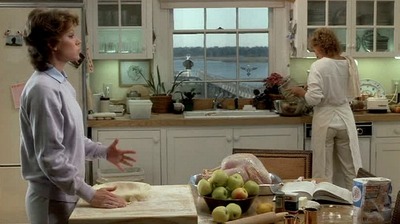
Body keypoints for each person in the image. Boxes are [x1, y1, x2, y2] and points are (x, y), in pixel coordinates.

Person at [20, 9, 136, 224]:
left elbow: (70, 140)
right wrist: (90, 193)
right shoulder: (43, 89)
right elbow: (51, 158)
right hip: (51, 202)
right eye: (71, 36)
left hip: (65, 196)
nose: (78, 42)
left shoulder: (61, 83)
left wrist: (103, 152)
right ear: (53, 44)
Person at [289, 27, 362, 190]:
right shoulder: (348, 62)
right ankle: (355, 206)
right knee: (351, 169)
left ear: (320, 47)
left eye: (314, 48)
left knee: (323, 170)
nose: (314, 52)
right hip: (345, 119)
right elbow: (351, 93)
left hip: (325, 121)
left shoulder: (318, 66)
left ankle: (325, 207)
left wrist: (302, 92)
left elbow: (314, 99)